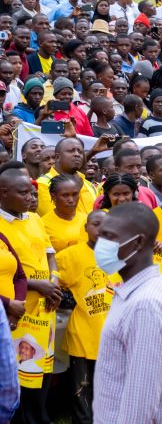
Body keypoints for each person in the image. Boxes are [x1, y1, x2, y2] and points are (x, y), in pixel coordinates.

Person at [93, 202, 162, 423]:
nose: (100, 244)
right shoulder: (141, 291)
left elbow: (140, 401)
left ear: (139, 242)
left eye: (109, 237)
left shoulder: (146, 305)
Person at [0, 171, 59, 424]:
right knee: (21, 370)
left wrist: (54, 281)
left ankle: (39, 416)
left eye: (32, 193)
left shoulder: (35, 219)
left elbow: (49, 254)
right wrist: (39, 286)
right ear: (3, 193)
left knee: (42, 369)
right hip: (19, 310)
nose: (30, 198)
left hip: (45, 307)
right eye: (22, 193)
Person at [55, 210, 118, 424]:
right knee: (82, 389)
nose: (101, 229)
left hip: (113, 334)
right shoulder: (70, 256)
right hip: (84, 333)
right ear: (86, 228)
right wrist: (66, 297)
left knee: (108, 388)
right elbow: (55, 283)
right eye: (95, 224)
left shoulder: (121, 254)